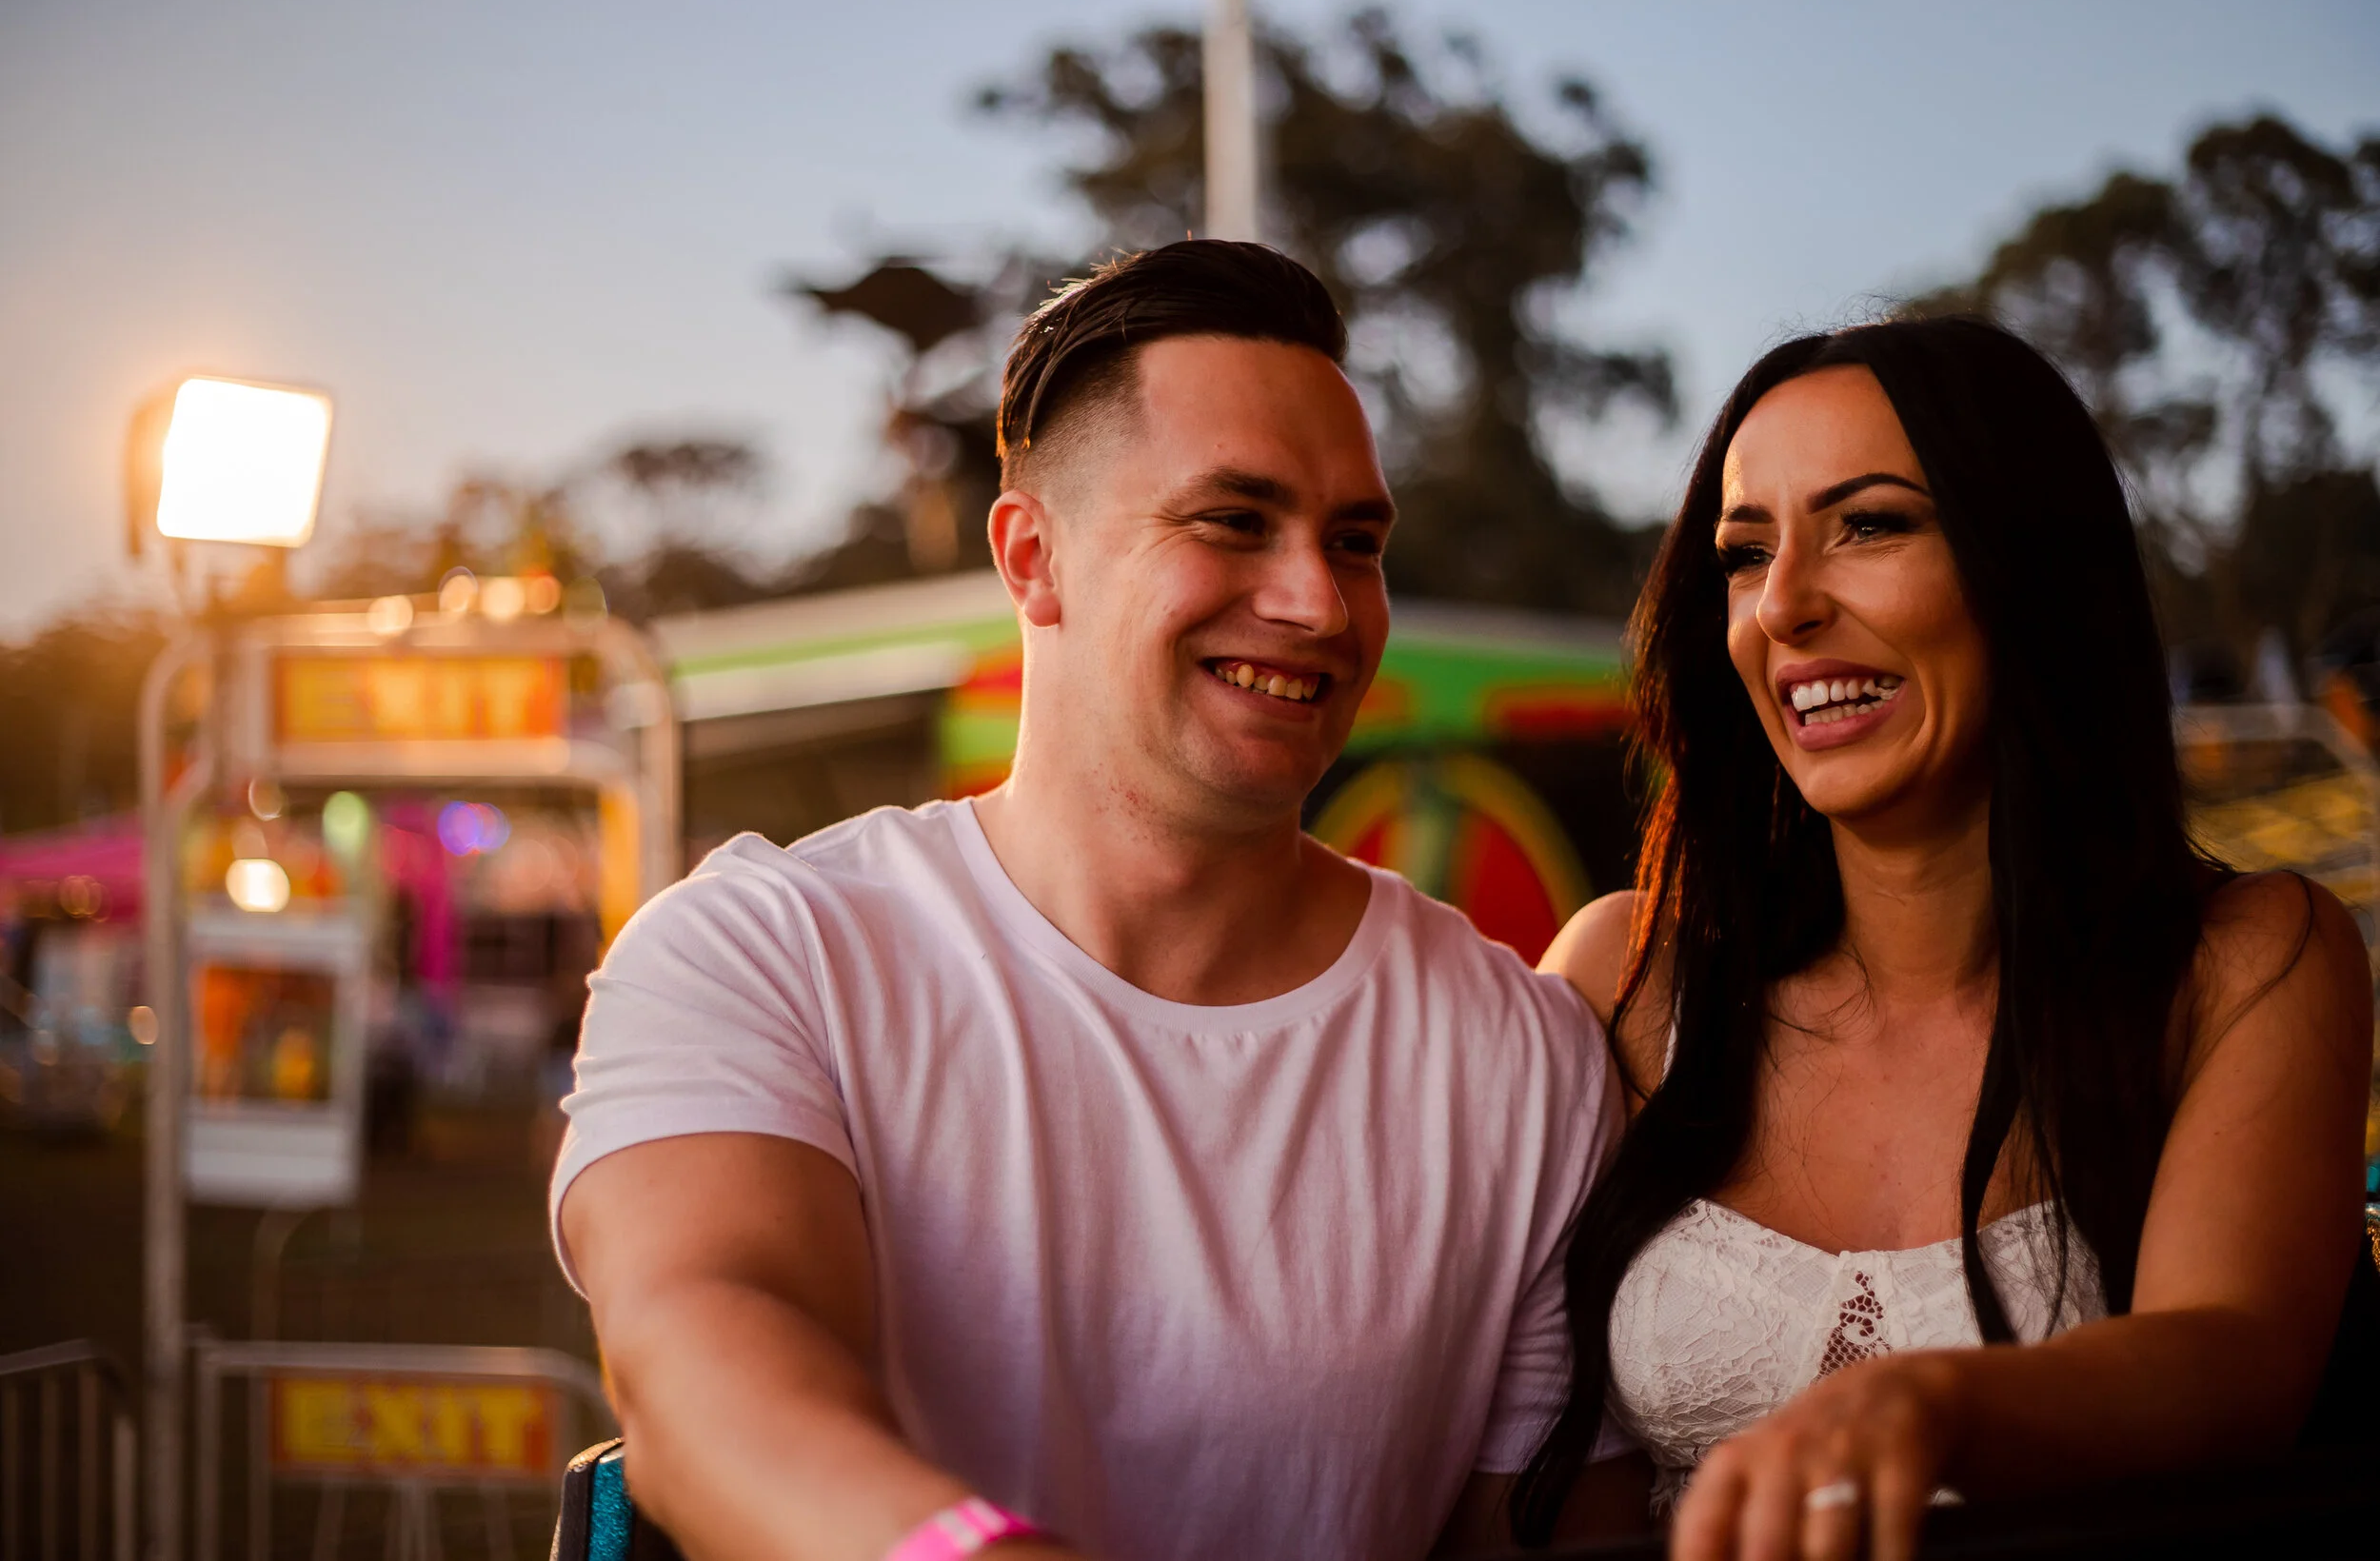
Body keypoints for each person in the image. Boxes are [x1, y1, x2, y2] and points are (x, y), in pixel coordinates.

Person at [551, 240, 1626, 1561]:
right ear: (1032, 555)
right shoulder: (768, 955)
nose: (1318, 602)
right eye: (1232, 520)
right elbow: (706, 1370)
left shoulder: (1523, 1055)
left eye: (1355, 543)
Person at [1512, 315, 2374, 1561]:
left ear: (2029, 571)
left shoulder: (2252, 960)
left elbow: (2235, 1363)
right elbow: (1522, 1448)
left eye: (1870, 524)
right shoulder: (1621, 976)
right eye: (1746, 553)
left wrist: (1931, 1406)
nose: (1785, 605)